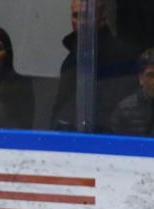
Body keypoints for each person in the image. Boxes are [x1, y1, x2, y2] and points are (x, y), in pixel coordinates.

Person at [49, 0, 141, 132]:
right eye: (76, 15)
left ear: (102, 18)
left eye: (87, 16)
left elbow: (123, 107)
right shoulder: (73, 57)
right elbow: (61, 105)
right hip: (70, 135)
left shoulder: (121, 56)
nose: (81, 21)